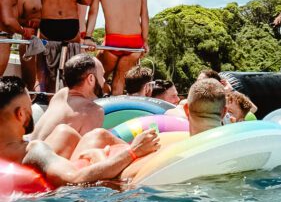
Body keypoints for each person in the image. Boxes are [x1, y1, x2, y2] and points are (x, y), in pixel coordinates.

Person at [0, 76, 159, 187]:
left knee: (66, 133)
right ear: (21, 114)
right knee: (100, 136)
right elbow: (74, 180)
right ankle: (153, 154)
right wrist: (133, 151)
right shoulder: (34, 150)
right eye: (30, 105)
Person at [121, 78, 227, 179]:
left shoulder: (164, 157)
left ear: (186, 110)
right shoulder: (238, 143)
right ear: (224, 112)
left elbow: (126, 180)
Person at [84, 0, 149, 95]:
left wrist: (88, 37)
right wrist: (145, 42)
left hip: (114, 40)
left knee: (98, 77)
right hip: (135, 42)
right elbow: (145, 16)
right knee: (120, 79)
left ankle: (98, 109)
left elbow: (93, 13)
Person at [31, 54, 107, 141]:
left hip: (30, 148)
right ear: (91, 79)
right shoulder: (93, 110)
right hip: (46, 153)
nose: (104, 80)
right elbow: (85, 151)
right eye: (102, 75)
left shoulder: (61, 94)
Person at [17, 0, 41, 90]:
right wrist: (27, 24)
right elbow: (16, 18)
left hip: (48, 39)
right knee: (28, 78)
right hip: (28, 40)